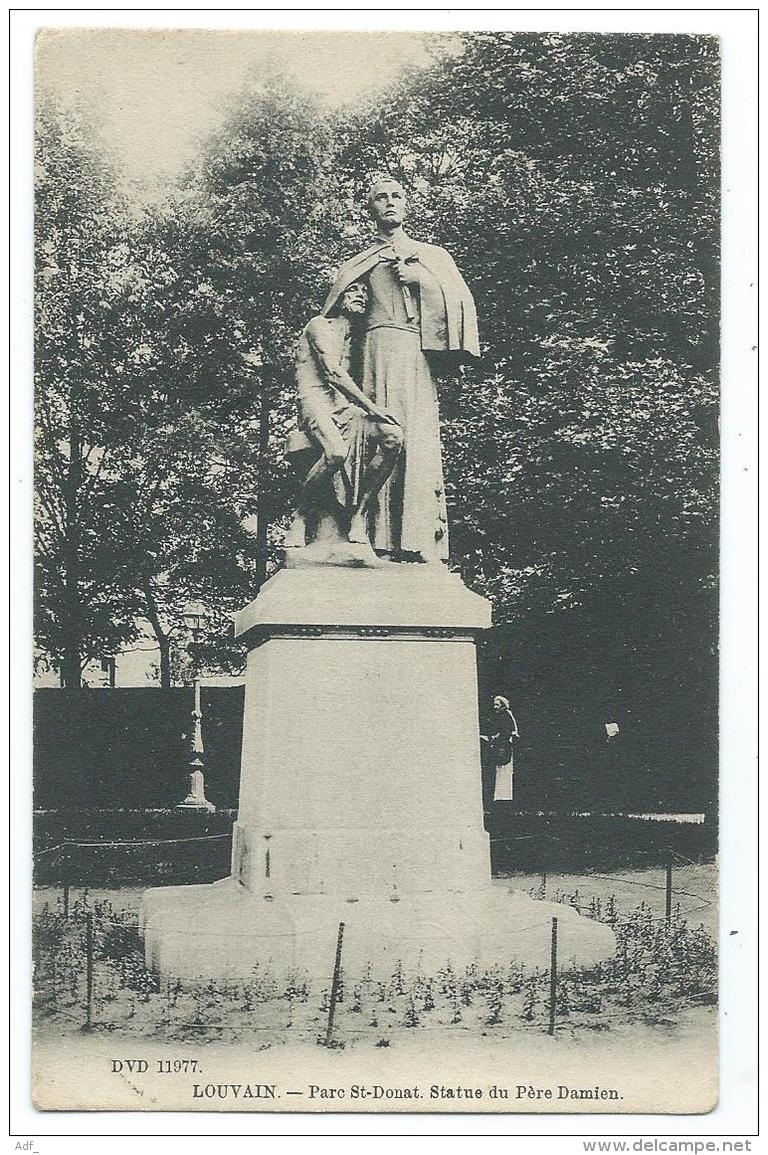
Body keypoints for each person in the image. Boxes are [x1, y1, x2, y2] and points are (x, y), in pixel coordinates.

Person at [321, 175, 480, 563]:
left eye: (396, 196)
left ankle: (416, 539)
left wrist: (421, 281)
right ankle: (365, 534)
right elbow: (334, 321)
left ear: (406, 204)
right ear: (369, 207)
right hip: (370, 357)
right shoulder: (359, 262)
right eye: (380, 198)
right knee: (375, 437)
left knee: (415, 439)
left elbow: (462, 306)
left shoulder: (432, 256)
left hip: (413, 356)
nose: (389, 202)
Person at [285, 279, 404, 557]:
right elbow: (332, 372)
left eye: (365, 292)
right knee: (336, 452)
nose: (361, 295)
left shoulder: (356, 339)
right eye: (354, 290)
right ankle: (301, 516)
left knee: (393, 437)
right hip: (315, 403)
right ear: (338, 295)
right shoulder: (319, 326)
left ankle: (359, 516)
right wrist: (373, 408)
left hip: (344, 408)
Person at [482, 696, 519, 802]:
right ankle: (502, 796)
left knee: (504, 771)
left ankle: (504, 796)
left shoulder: (505, 715)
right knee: (501, 771)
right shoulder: (501, 716)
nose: (495, 707)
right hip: (501, 746)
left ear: (502, 705)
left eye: (497, 705)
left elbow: (506, 731)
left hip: (504, 747)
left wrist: (490, 738)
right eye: (494, 704)